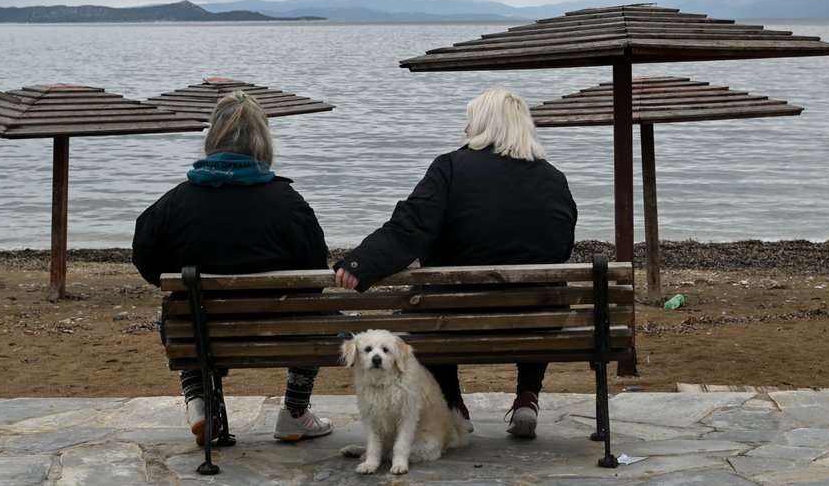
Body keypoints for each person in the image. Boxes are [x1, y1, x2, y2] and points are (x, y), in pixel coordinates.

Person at [333, 88, 577, 439]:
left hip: (453, 318)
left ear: (485, 126)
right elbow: (561, 245)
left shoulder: (450, 167)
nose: (465, 130)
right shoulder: (553, 177)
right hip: (536, 318)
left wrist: (360, 264)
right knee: (546, 288)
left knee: (426, 304)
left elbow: (409, 228)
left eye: (471, 122)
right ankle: (527, 397)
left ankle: (454, 404)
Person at [133, 91, 333, 445]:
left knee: (183, 310)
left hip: (201, 330)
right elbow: (316, 271)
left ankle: (199, 402)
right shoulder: (289, 203)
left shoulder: (174, 202)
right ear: (263, 141)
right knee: (319, 314)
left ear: (212, 139)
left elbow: (147, 261)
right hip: (284, 329)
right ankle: (295, 412)